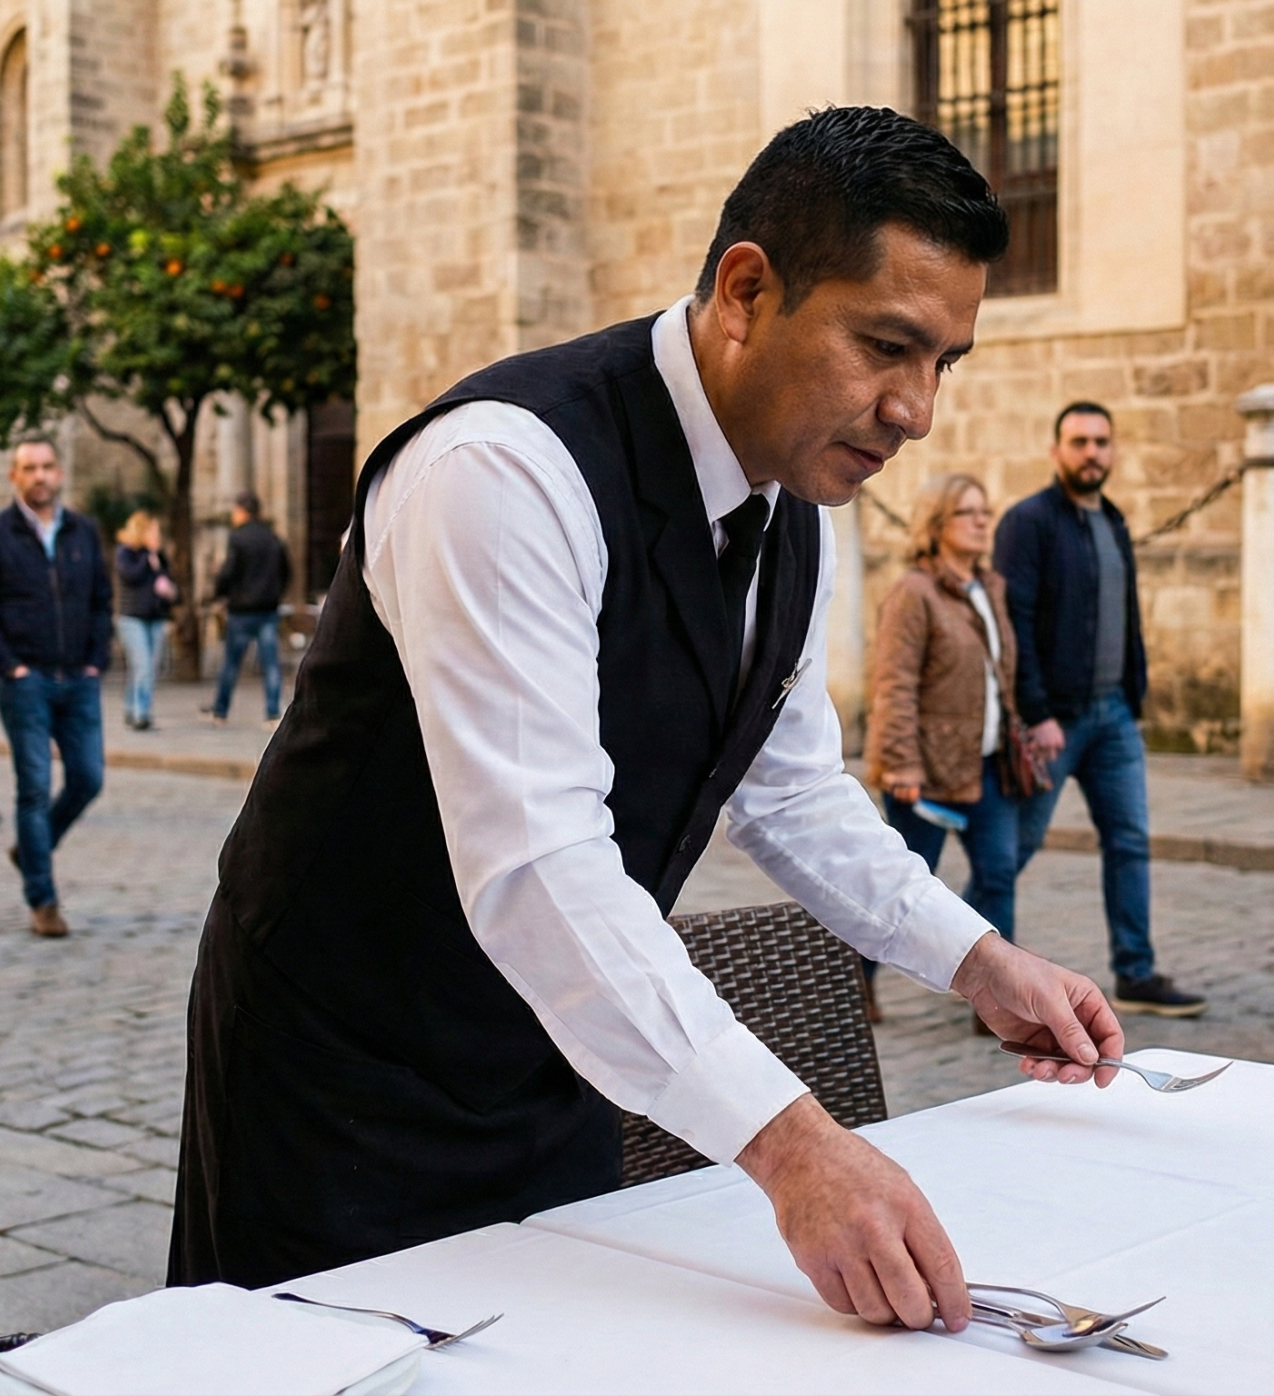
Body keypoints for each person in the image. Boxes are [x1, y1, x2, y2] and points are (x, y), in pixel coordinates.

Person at [168, 108, 1127, 1333]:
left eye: (945, 361)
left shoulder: (797, 509)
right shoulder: (504, 471)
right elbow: (537, 863)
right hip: (341, 1072)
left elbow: (788, 791)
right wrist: (793, 1150)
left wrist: (976, 959)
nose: (917, 410)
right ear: (744, 291)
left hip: (564, 1051)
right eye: (886, 345)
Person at [993, 403, 1203, 1017]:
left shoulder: (1113, 522)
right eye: (1079, 441)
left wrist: (1133, 694)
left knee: (1131, 840)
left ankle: (1136, 972)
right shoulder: (1027, 523)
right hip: (1054, 721)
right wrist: (1036, 712)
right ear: (1056, 451)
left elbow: (1126, 616)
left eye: (1101, 442)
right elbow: (1016, 625)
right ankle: (971, 964)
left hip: (1113, 716)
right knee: (1011, 852)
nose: (1092, 453)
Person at [864, 473, 1020, 1028]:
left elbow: (999, 676)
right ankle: (857, 985)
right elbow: (894, 683)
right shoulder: (915, 592)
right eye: (967, 512)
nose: (982, 521)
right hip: (925, 770)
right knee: (899, 890)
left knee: (999, 873)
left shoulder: (989, 587)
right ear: (936, 525)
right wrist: (900, 761)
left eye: (985, 511)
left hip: (987, 766)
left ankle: (997, 1000)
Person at [0, 437, 113, 938]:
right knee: (33, 788)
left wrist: (96, 661)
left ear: (60, 472)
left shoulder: (82, 531)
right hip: (26, 680)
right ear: (14, 476)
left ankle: (31, 847)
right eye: (29, 468)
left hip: (79, 679)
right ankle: (43, 900)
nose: (40, 476)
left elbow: (100, 599)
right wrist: (10, 667)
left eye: (47, 467)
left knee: (88, 777)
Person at [208, 492, 290, 725]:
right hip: (268, 608)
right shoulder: (273, 538)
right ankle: (273, 712)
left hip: (242, 609)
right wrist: (275, 593)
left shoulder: (238, 538)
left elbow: (229, 571)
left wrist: (220, 594)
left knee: (232, 663)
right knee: (271, 663)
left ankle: (221, 710)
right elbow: (286, 571)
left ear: (243, 511)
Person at [114, 511, 178, 731]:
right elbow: (129, 575)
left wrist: (169, 592)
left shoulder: (159, 556)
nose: (157, 536)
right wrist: (146, 558)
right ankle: (142, 713)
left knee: (146, 667)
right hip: (132, 617)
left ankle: (132, 708)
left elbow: (167, 580)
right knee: (143, 666)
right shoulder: (126, 553)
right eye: (153, 531)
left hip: (156, 616)